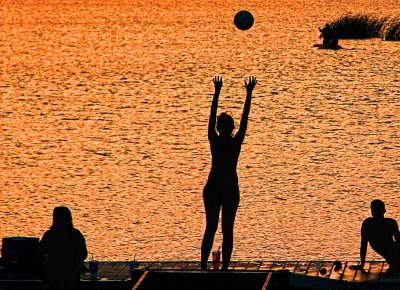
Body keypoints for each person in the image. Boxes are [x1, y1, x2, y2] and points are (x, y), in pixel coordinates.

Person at [201, 76, 257, 270]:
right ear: (228, 128)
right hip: (220, 188)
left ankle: (212, 266)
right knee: (220, 229)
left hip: (222, 188)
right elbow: (244, 120)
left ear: (221, 128)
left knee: (218, 229)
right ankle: (217, 266)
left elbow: (214, 119)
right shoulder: (232, 142)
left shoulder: (219, 141)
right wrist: (248, 94)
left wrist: (217, 93)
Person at [40, 206, 88, 290]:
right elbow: (83, 255)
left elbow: (40, 252)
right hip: (71, 273)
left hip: (51, 273)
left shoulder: (49, 234)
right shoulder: (76, 234)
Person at [357, 199, 400, 273]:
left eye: (377, 209)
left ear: (384, 211)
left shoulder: (390, 223)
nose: (375, 212)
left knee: (395, 265)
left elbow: (399, 242)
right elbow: (364, 244)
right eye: (373, 209)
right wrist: (362, 264)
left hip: (395, 253)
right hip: (391, 254)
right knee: (394, 264)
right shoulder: (368, 224)